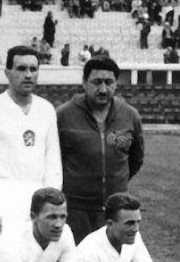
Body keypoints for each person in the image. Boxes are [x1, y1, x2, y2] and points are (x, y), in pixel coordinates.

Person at [0, 46, 61, 251]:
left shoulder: (46, 109)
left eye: (33, 69)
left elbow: (53, 160)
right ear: (7, 73)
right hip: (2, 194)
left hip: (36, 197)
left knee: (31, 261)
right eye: (21, 69)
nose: (28, 75)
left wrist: (52, 204)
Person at [57, 56, 144, 245]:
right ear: (84, 83)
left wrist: (116, 180)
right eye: (96, 82)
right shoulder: (64, 115)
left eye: (109, 82)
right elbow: (56, 160)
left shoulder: (129, 115)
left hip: (116, 208)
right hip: (77, 209)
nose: (103, 89)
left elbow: (136, 159)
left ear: (116, 84)